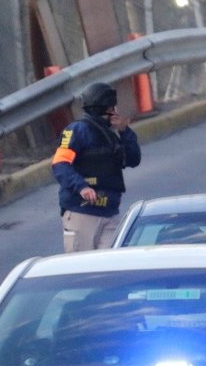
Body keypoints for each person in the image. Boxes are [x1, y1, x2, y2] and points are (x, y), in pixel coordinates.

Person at [51, 82, 142, 252]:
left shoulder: (114, 133)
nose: (115, 111)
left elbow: (133, 159)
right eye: (111, 107)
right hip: (82, 212)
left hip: (110, 213)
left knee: (110, 269)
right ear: (103, 108)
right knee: (81, 268)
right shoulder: (76, 131)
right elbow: (60, 164)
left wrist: (124, 131)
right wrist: (81, 187)